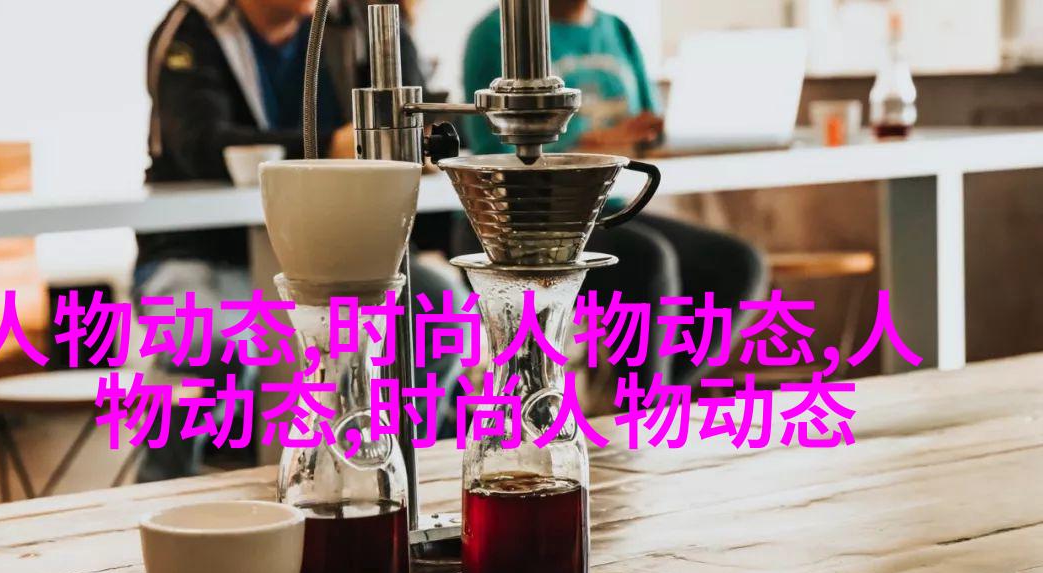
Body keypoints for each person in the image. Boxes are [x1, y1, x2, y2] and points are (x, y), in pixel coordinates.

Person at [139, 0, 463, 481]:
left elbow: (418, 120)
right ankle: (163, 493)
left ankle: (381, 469)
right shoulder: (193, 28)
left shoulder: (359, 21)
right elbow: (199, 142)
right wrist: (330, 146)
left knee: (439, 307)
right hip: (204, 254)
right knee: (206, 341)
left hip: (341, 248)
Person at [461, 0, 767, 386]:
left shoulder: (617, 30)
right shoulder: (496, 32)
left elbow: (646, 126)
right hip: (518, 219)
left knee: (738, 264)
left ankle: (649, 399)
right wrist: (597, 142)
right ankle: (644, 404)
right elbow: (495, 154)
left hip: (606, 210)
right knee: (648, 260)